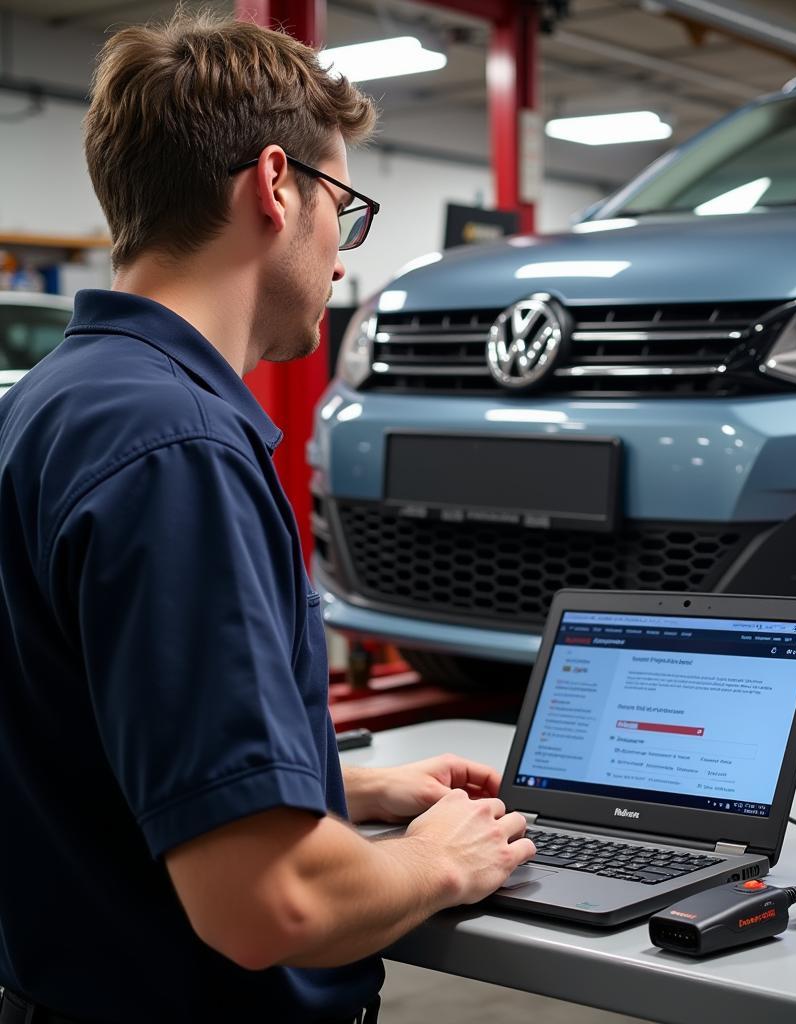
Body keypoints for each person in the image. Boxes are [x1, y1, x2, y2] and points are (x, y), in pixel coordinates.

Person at [0, 12, 534, 1024]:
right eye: (348, 208)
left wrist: (331, 789)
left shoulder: (49, 403)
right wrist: (434, 863)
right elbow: (268, 902)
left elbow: (85, 734)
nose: (341, 260)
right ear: (277, 184)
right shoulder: (178, 447)